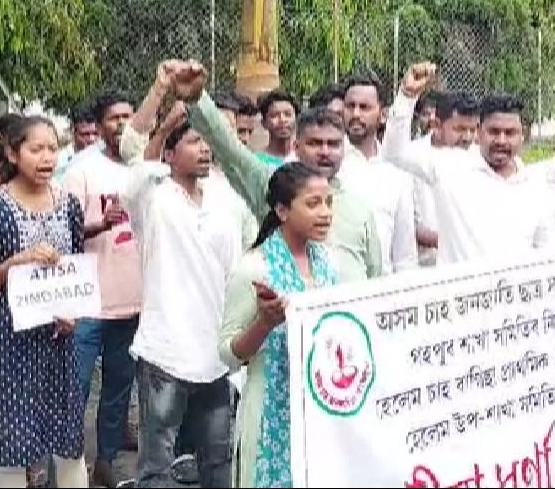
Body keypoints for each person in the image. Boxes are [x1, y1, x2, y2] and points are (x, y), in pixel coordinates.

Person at [0, 117, 89, 488]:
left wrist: (72, 314)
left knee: (68, 443)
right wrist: (14, 263)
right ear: (14, 154)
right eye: (36, 149)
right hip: (8, 346)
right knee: (14, 448)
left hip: (59, 345)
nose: (46, 157)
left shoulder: (68, 205)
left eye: (52, 148)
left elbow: (75, 272)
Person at [170, 62, 382, 283]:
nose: (325, 152)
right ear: (296, 147)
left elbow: (376, 277)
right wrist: (196, 98)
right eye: (315, 143)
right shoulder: (275, 187)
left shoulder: (360, 206)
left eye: (333, 144)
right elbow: (229, 148)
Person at [122, 97, 241, 488]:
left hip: (215, 354)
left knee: (217, 463)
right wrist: (164, 111)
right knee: (157, 466)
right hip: (166, 352)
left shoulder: (224, 200)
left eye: (207, 140)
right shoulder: (152, 198)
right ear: (169, 154)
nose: (205, 147)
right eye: (193, 141)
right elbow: (133, 151)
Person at [219, 162, 341, 487]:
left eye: (329, 202)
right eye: (313, 204)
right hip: (271, 414)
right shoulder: (255, 268)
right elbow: (228, 354)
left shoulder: (328, 262)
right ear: (282, 210)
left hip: (320, 413)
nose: (325, 213)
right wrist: (264, 323)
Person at [62, 92, 142, 489]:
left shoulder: (146, 166)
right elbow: (60, 230)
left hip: (131, 301)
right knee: (73, 390)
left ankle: (106, 462)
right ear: (100, 123)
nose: (123, 124)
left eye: (129, 116)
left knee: (117, 390)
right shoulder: (81, 169)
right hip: (87, 301)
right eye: (115, 118)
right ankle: (69, 466)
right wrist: (99, 224)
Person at [383, 63, 538, 264]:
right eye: (493, 131)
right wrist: (406, 96)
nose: (501, 140)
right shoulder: (451, 165)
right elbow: (395, 153)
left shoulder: (534, 184)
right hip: (458, 292)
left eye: (510, 133)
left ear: (522, 135)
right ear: (480, 131)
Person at [341, 75, 418, 273]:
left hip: (383, 291)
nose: (356, 114)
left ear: (383, 115)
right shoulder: (329, 163)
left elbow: (404, 255)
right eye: (350, 106)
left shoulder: (396, 172)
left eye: (364, 107)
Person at [411, 91, 478, 266]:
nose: (468, 137)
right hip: (423, 263)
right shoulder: (413, 156)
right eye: (460, 129)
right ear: (437, 125)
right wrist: (445, 241)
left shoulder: (477, 158)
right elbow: (405, 220)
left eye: (473, 129)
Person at [253, 90, 298, 169]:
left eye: (288, 114)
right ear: (264, 123)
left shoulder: (304, 158)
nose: (282, 120)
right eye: (274, 115)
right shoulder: (256, 162)